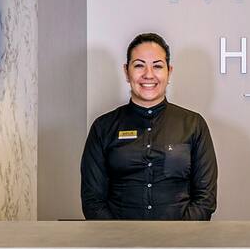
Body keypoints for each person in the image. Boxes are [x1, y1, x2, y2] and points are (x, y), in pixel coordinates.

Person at [81, 33, 218, 220]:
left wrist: (179, 237)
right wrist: (118, 239)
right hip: (117, 245)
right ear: (126, 72)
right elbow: (92, 201)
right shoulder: (103, 128)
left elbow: (205, 199)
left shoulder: (193, 125)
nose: (148, 74)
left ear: (169, 72)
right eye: (139, 65)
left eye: (157, 66)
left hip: (182, 244)